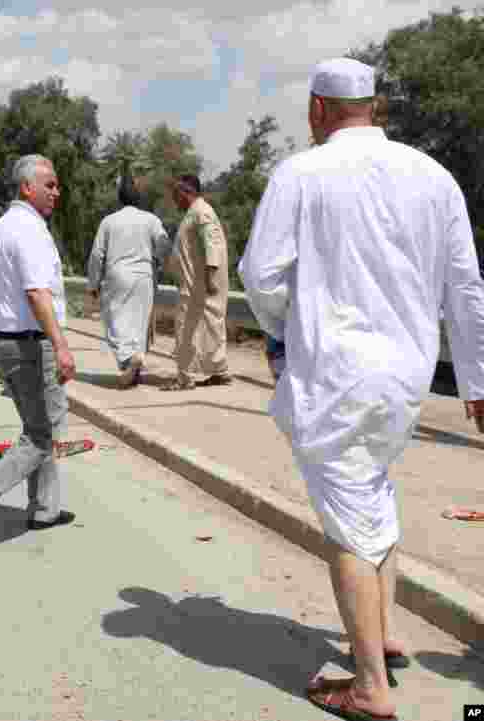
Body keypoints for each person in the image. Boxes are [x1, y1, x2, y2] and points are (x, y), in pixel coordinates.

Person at [240, 57, 484, 721]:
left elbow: (260, 275)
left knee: (347, 521)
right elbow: (466, 286)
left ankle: (370, 682)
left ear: (318, 109)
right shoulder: (433, 176)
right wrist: (477, 380)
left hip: (334, 372)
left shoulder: (300, 173)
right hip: (407, 375)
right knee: (371, 489)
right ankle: (385, 632)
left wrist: (282, 333)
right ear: (373, 106)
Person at [0, 154, 77, 552]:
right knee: (41, 435)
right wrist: (61, 345)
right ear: (27, 187)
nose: (57, 192)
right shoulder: (29, 230)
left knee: (47, 422)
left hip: (4, 341)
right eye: (50, 185)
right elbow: (36, 292)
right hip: (29, 344)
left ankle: (45, 508)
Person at [88, 176, 172, 387]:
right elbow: (164, 246)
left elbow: (97, 255)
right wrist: (160, 265)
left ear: (119, 199)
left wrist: (93, 284)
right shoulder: (151, 220)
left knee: (114, 320)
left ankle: (128, 359)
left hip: (117, 275)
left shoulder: (109, 221)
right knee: (139, 322)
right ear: (139, 199)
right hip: (144, 275)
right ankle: (134, 362)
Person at [163, 174, 232, 391]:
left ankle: (184, 378)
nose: (175, 201)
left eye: (176, 196)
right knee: (209, 329)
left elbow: (212, 244)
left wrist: (211, 277)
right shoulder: (195, 212)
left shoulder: (201, 212)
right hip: (196, 283)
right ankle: (218, 371)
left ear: (186, 192)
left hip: (199, 285)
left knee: (186, 328)